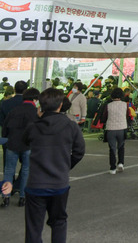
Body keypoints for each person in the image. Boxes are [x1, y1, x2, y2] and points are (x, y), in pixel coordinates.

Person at [1, 87, 85, 242]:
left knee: (33, 227)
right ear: (60, 106)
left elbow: (25, 141)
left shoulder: (34, 126)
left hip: (36, 184)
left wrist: (38, 118)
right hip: (59, 183)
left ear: (40, 105)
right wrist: (65, 166)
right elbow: (79, 151)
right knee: (59, 222)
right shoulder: (71, 126)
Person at [1, 87, 39, 208]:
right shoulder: (35, 112)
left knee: (9, 170)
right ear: (35, 99)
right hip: (28, 145)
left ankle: (5, 197)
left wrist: (6, 139)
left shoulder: (15, 110)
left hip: (12, 143)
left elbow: (5, 127)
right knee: (26, 171)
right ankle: (22, 197)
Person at [101, 88, 129, 175]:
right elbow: (128, 116)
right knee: (121, 147)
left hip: (111, 129)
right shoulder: (125, 105)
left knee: (112, 149)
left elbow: (104, 117)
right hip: (122, 128)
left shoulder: (108, 105)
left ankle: (112, 168)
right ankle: (121, 163)